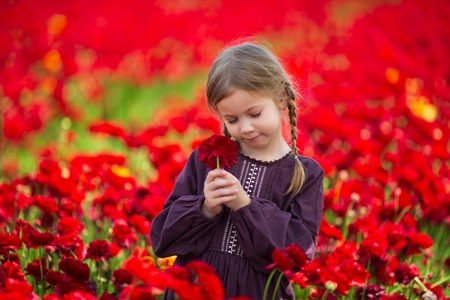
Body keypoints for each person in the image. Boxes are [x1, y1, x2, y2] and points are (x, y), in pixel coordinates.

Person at [150, 42, 324, 300]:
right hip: (194, 288)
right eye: (232, 120)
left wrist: (245, 206)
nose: (245, 128)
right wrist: (205, 208)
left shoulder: (304, 174)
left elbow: (298, 252)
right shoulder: (208, 159)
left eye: (254, 114)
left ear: (281, 100)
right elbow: (163, 239)